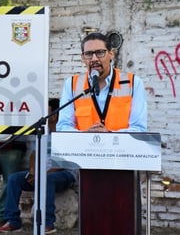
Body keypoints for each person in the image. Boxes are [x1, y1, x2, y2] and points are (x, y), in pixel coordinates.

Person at [55, 32, 147, 234]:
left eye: (100, 52)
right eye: (88, 54)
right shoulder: (73, 85)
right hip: (89, 169)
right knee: (93, 223)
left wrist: (110, 134)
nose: (94, 59)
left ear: (111, 54)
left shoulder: (132, 83)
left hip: (124, 168)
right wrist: (86, 134)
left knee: (124, 224)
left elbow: (139, 128)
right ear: (82, 58)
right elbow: (62, 126)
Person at [0, 98, 77, 234]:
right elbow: (34, 154)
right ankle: (13, 222)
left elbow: (63, 163)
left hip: (65, 175)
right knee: (14, 179)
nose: (44, 115)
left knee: (48, 180)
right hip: (41, 174)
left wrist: (42, 176)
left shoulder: (65, 132)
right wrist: (34, 172)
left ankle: (48, 224)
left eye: (47, 112)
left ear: (55, 115)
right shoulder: (43, 131)